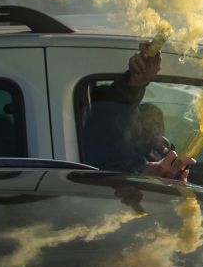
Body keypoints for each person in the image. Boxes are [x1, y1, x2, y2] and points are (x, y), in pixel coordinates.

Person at [81, 40, 194, 180]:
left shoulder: (152, 148)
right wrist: (143, 177)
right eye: (127, 116)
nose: (138, 121)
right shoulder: (99, 151)